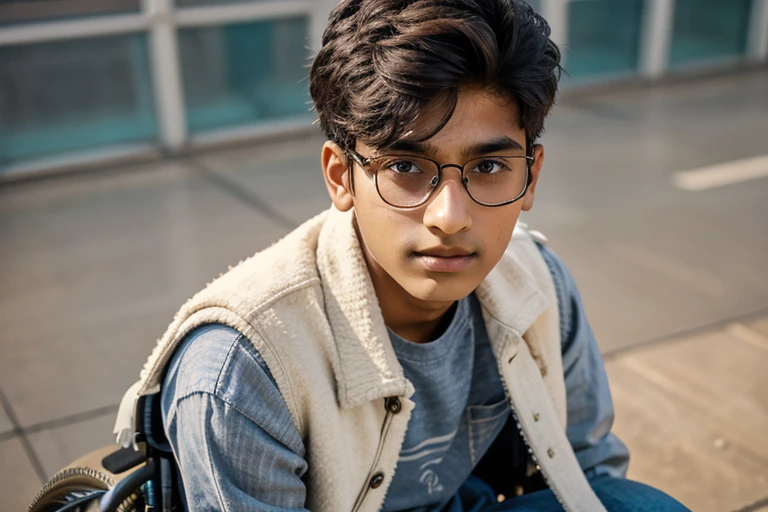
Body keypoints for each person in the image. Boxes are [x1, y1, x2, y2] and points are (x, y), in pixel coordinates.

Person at [130, 1, 690, 510]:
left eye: (490, 167)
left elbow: (587, 477)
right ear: (340, 175)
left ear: (531, 175)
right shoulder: (245, 367)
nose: (449, 217)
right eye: (405, 167)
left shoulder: (537, 284)